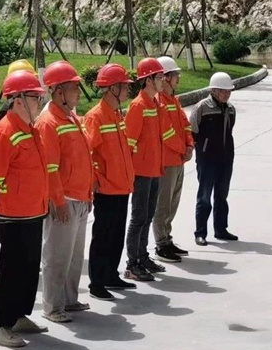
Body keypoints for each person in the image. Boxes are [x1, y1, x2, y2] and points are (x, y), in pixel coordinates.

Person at [0, 70, 50, 347]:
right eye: (35, 97)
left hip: (34, 211)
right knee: (12, 270)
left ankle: (20, 315)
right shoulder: (4, 132)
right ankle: (2, 324)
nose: (39, 102)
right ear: (18, 100)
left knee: (30, 268)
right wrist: (0, 204)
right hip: (12, 215)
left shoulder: (30, 129)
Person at [37, 61, 93, 323]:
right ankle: (52, 306)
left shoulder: (70, 116)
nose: (78, 93)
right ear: (59, 92)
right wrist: (57, 201)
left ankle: (70, 299)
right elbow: (50, 168)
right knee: (57, 256)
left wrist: (88, 194)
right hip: (65, 200)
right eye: (74, 88)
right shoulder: (48, 123)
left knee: (74, 256)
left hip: (80, 197)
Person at [124, 58, 185, 280]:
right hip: (141, 173)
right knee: (138, 218)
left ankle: (143, 257)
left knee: (148, 216)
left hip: (155, 170)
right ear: (148, 80)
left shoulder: (155, 105)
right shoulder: (138, 106)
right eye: (159, 77)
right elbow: (129, 143)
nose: (162, 80)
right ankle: (132, 264)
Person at [83, 63, 137, 301]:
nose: (128, 90)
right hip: (106, 188)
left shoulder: (116, 114)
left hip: (122, 186)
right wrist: (96, 180)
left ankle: (111, 275)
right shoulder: (95, 116)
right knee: (103, 236)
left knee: (116, 235)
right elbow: (88, 153)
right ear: (113, 88)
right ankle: (97, 283)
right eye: (124, 86)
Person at [152, 56, 194, 263]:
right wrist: (182, 149)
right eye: (176, 74)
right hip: (167, 162)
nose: (178, 78)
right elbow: (166, 133)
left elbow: (185, 125)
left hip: (178, 160)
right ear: (165, 77)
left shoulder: (174, 100)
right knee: (163, 205)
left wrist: (189, 144)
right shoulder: (159, 101)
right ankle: (161, 244)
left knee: (173, 203)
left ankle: (167, 239)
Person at [189, 72, 238, 246]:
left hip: (226, 159)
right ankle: (200, 233)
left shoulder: (230, 109)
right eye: (224, 91)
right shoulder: (202, 108)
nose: (227, 94)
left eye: (229, 91)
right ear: (214, 91)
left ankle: (221, 229)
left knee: (222, 196)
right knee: (204, 197)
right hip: (207, 160)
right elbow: (192, 132)